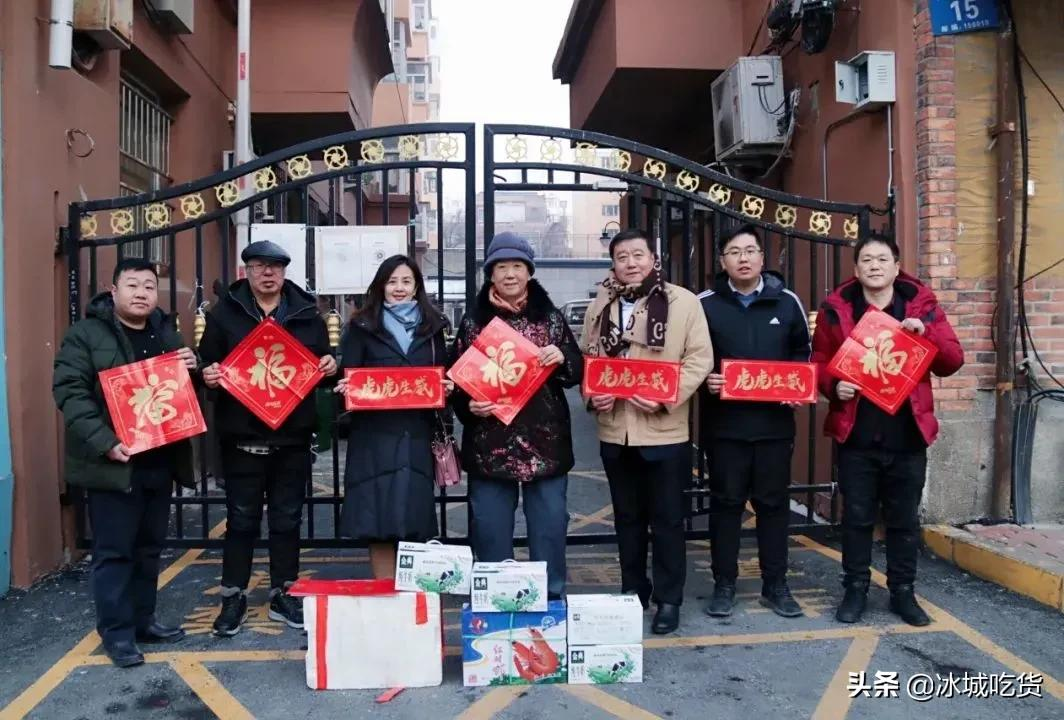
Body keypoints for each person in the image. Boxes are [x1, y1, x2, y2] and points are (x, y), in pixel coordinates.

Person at [811, 237, 963, 626]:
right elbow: (819, 362)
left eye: (882, 259)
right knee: (857, 519)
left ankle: (903, 592)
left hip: (907, 435)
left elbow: (952, 361)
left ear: (897, 266)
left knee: (903, 521)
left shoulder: (922, 308)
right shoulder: (837, 309)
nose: (874, 266)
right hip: (857, 435)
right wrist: (833, 385)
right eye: (866, 260)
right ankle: (855, 589)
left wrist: (924, 336)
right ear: (856, 268)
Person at [53, 258, 197, 667]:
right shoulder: (86, 335)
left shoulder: (165, 332)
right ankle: (116, 634)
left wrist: (193, 365)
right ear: (112, 290)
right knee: (114, 552)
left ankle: (143, 621)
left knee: (149, 549)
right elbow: (69, 393)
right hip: (114, 463)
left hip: (159, 459)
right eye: (131, 285)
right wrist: (106, 442)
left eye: (149, 286)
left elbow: (182, 392)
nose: (141, 293)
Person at [199, 240, 338, 636]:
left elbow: (322, 364)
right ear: (246, 270)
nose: (267, 273)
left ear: (284, 272)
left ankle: (284, 591)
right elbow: (207, 362)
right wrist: (207, 373)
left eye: (275, 267)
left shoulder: (306, 312)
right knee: (241, 521)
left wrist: (329, 365)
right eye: (259, 266)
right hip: (242, 437)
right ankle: (233, 596)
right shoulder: (225, 313)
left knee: (286, 519)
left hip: (292, 437)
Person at [581, 228, 712, 634]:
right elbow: (590, 359)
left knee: (668, 520)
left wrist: (666, 396)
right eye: (623, 257)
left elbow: (699, 359)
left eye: (639, 255)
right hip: (615, 433)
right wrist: (593, 396)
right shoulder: (600, 305)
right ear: (614, 264)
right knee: (627, 519)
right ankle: (633, 590)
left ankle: (668, 600)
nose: (631, 263)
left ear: (653, 259)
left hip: (664, 432)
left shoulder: (682, 303)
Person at [450, 232, 582, 600]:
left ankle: (552, 597)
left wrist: (562, 359)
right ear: (490, 274)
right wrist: (468, 406)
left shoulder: (551, 319)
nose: (510, 274)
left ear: (530, 272)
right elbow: (457, 378)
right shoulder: (474, 322)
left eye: (518, 266)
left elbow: (576, 372)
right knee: (490, 529)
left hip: (546, 443)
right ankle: (495, 597)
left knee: (550, 527)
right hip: (490, 443)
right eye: (502, 267)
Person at [699, 224, 810, 619]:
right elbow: (690, 358)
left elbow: (803, 352)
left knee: (773, 506)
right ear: (722, 260)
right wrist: (705, 379)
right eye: (734, 251)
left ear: (763, 258)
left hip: (774, 427)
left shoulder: (787, 302)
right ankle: (724, 584)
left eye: (750, 251)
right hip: (725, 427)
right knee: (725, 505)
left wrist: (796, 383)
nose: (743, 258)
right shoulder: (705, 304)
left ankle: (775, 585)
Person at [335, 255, 452, 578]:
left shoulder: (434, 326)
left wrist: (447, 387)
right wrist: (346, 386)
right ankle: (384, 593)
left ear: (417, 287)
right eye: (392, 282)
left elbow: (444, 372)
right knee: (379, 519)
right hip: (374, 436)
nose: (399, 289)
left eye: (406, 282)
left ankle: (410, 598)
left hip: (416, 433)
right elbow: (348, 375)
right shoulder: (361, 326)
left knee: (413, 517)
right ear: (381, 286)